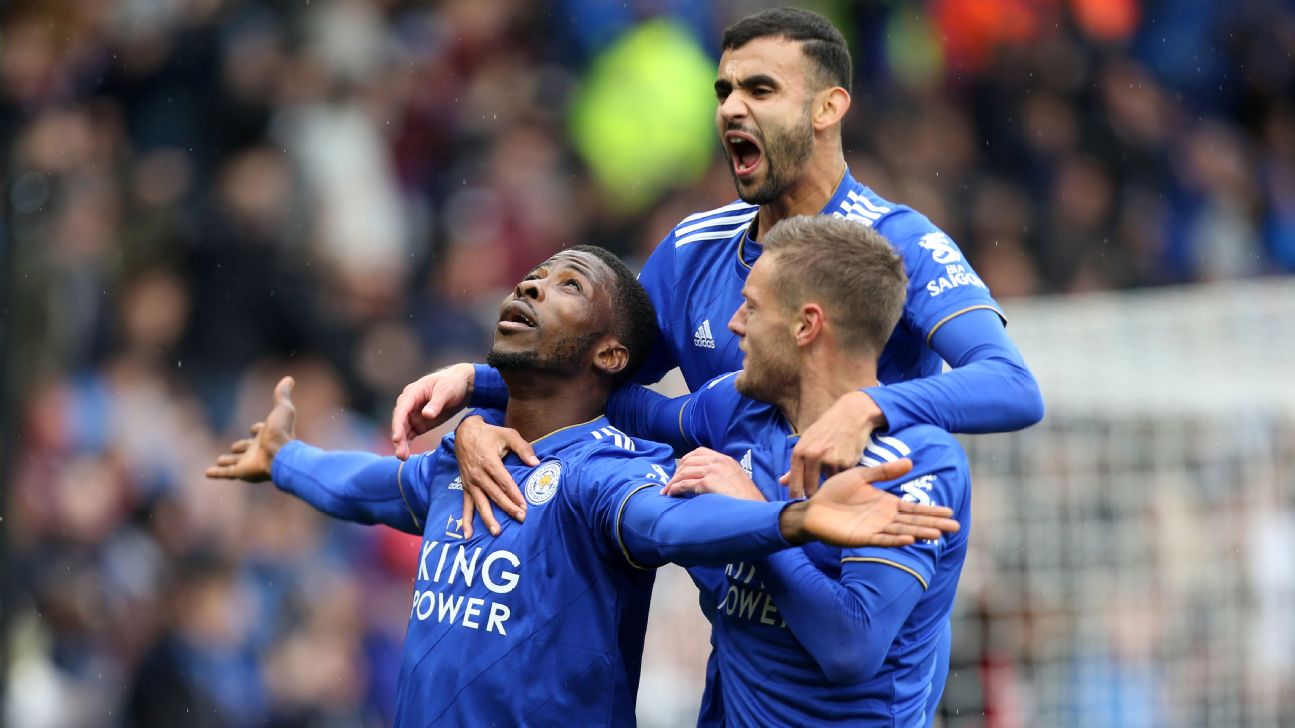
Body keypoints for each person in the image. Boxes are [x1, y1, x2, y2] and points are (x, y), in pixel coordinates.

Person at [205, 245, 961, 727]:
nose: (532, 284)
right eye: (534, 274)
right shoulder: (467, 460)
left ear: (606, 352)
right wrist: (286, 460)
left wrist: (786, 521)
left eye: (566, 284)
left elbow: (665, 524)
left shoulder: (604, 474)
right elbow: (372, 486)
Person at [388, 6, 1042, 534]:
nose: (730, 107)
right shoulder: (691, 250)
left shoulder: (899, 243)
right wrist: (477, 396)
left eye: (760, 89)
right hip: (739, 614)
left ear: (827, 108)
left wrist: (867, 407)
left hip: (863, 594)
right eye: (723, 90)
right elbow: (595, 386)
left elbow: (1011, 385)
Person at [607, 215, 971, 726]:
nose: (735, 323)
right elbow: (627, 407)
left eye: (751, 306)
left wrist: (758, 517)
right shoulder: (738, 406)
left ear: (806, 325)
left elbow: (850, 647)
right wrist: (478, 392)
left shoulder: (912, 460)